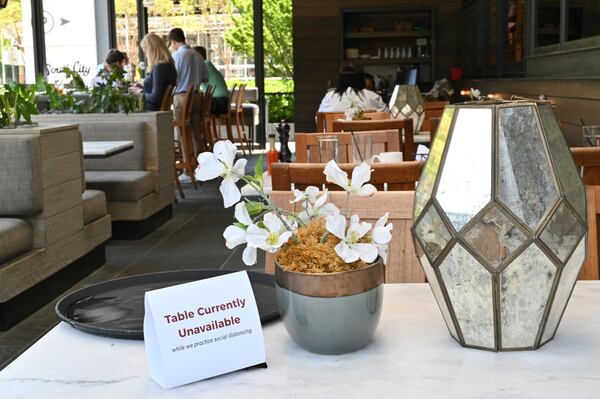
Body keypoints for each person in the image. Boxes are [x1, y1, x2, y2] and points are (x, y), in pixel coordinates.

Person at [168, 28, 208, 159]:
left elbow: (173, 79)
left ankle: (187, 167)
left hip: (181, 97)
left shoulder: (176, 56)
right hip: (196, 95)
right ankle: (200, 164)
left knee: (183, 132)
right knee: (196, 132)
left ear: (173, 41)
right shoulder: (197, 55)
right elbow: (205, 78)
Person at [131, 33, 177, 111]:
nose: (145, 55)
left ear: (152, 50)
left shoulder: (159, 68)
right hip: (160, 110)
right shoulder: (169, 65)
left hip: (152, 110)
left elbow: (156, 98)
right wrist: (141, 88)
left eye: (145, 52)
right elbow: (159, 89)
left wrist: (140, 92)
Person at [318, 61, 387, 113]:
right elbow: (387, 117)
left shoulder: (328, 97)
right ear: (361, 78)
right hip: (366, 132)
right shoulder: (373, 96)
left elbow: (318, 120)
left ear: (340, 79)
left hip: (336, 132)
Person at [193, 46, 229, 115]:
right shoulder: (207, 64)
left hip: (219, 102)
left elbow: (196, 83)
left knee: (193, 108)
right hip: (223, 102)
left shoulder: (204, 65)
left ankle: (196, 125)